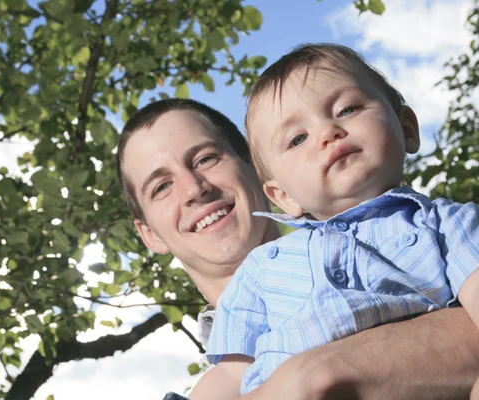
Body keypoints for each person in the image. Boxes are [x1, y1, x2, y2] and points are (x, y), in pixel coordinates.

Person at [116, 96, 479, 399]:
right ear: (150, 235)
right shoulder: (225, 369)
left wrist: (319, 375)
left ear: (258, 170)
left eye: (206, 159)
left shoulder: (414, 235)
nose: (195, 189)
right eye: (161, 187)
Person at [197, 43, 479, 396]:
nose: (327, 131)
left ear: (406, 128)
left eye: (347, 108)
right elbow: (229, 377)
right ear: (284, 196)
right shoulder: (261, 269)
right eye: (297, 138)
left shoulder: (445, 223)